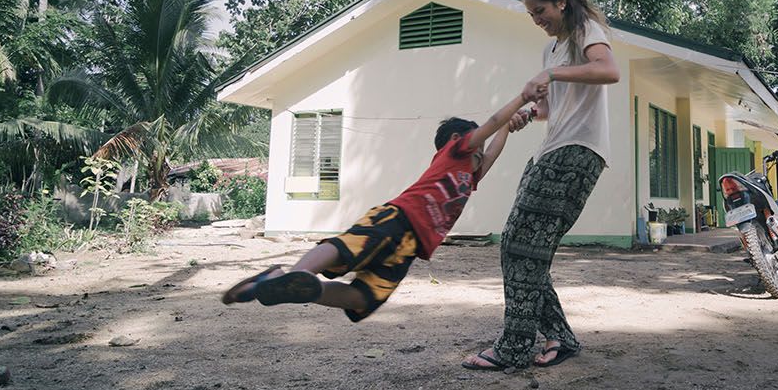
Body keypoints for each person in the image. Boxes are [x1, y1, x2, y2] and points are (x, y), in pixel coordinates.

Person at [219, 89, 539, 319]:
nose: (483, 144)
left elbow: (495, 147)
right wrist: (520, 101)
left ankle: (301, 288)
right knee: (346, 248)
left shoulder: (470, 175)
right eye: (478, 139)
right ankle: (294, 273)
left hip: (411, 248)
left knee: (364, 298)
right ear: (459, 139)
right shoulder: (455, 152)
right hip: (396, 219)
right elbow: (495, 121)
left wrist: (510, 129)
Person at [462, 0, 620, 371]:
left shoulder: (585, 31)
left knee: (521, 247)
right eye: (531, 14)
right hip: (551, 149)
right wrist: (528, 114)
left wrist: (549, 73)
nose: (537, 20)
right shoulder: (549, 51)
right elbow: (551, 108)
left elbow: (608, 71)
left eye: (541, 11)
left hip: (578, 152)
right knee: (521, 248)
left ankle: (515, 347)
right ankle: (559, 338)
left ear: (561, 2)